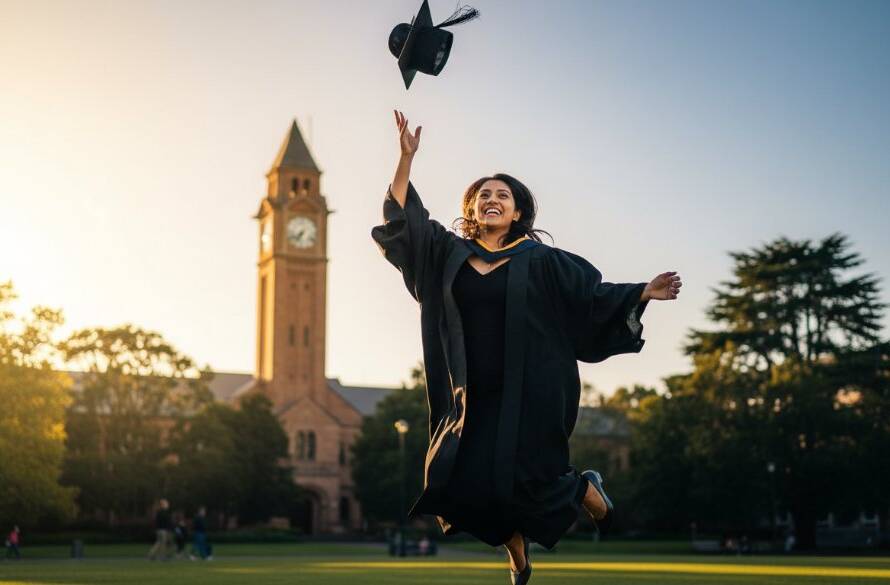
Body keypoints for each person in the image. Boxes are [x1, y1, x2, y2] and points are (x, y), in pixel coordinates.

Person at [372, 110, 682, 584]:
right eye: (483, 195)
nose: (492, 199)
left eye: (503, 195)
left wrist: (641, 292)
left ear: (517, 213)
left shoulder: (543, 262)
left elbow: (589, 299)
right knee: (462, 477)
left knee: (531, 477)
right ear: (472, 209)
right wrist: (405, 159)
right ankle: (518, 554)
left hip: (534, 385)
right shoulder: (446, 253)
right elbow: (402, 224)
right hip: (469, 391)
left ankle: (581, 489)